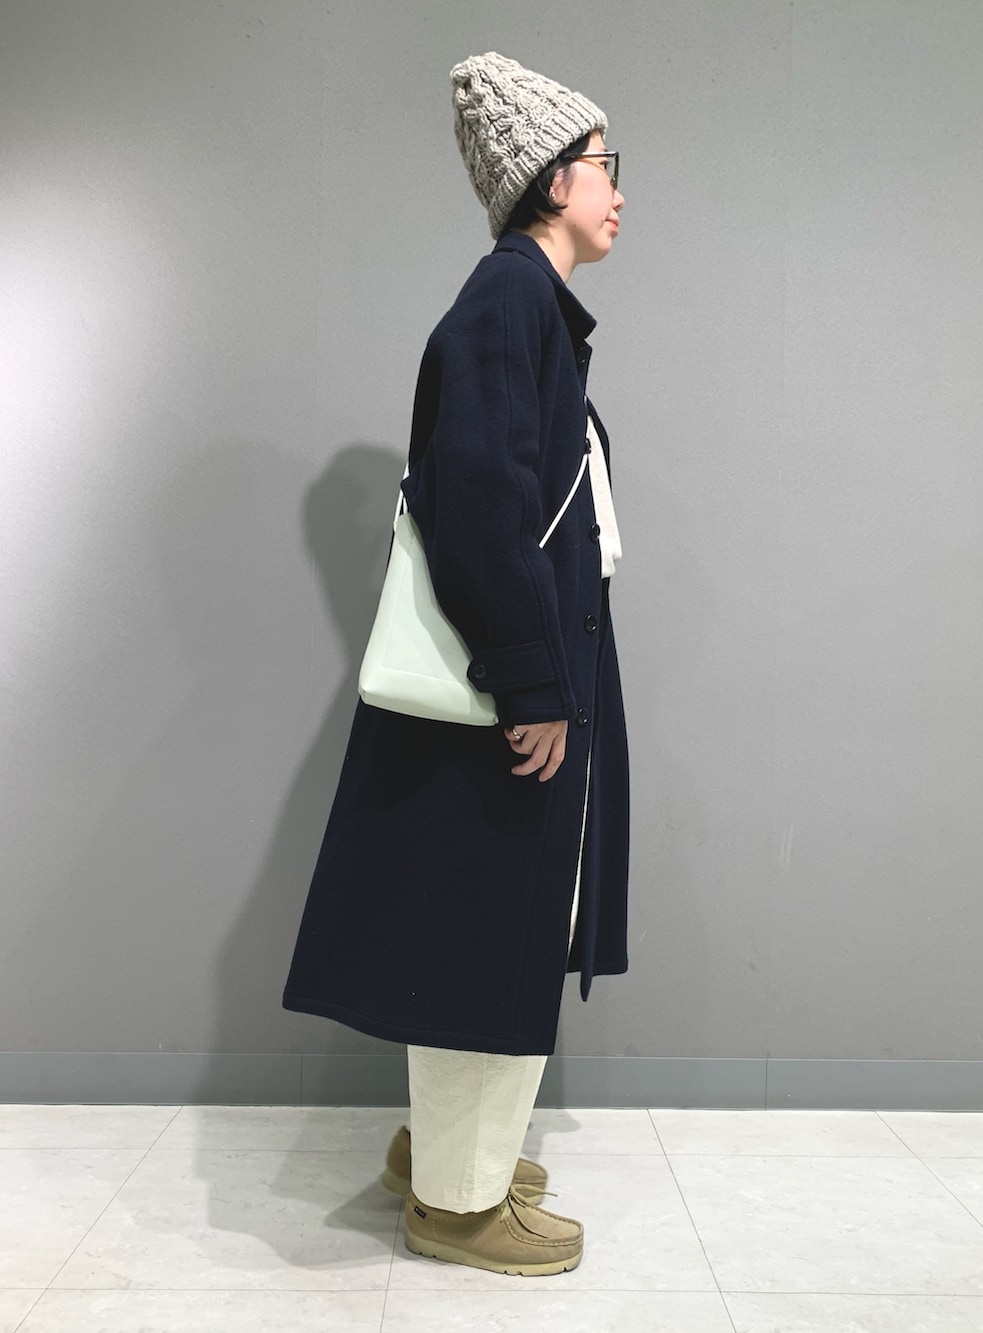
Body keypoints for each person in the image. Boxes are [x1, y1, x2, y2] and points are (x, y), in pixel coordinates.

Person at [282, 50, 630, 1276]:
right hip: (508, 699)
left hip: (521, 683)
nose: (619, 190)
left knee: (491, 923)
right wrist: (530, 685)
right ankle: (458, 1203)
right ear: (549, 179)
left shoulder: (527, 306)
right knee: (494, 930)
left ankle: (449, 1156)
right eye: (604, 165)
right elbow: (476, 503)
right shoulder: (507, 303)